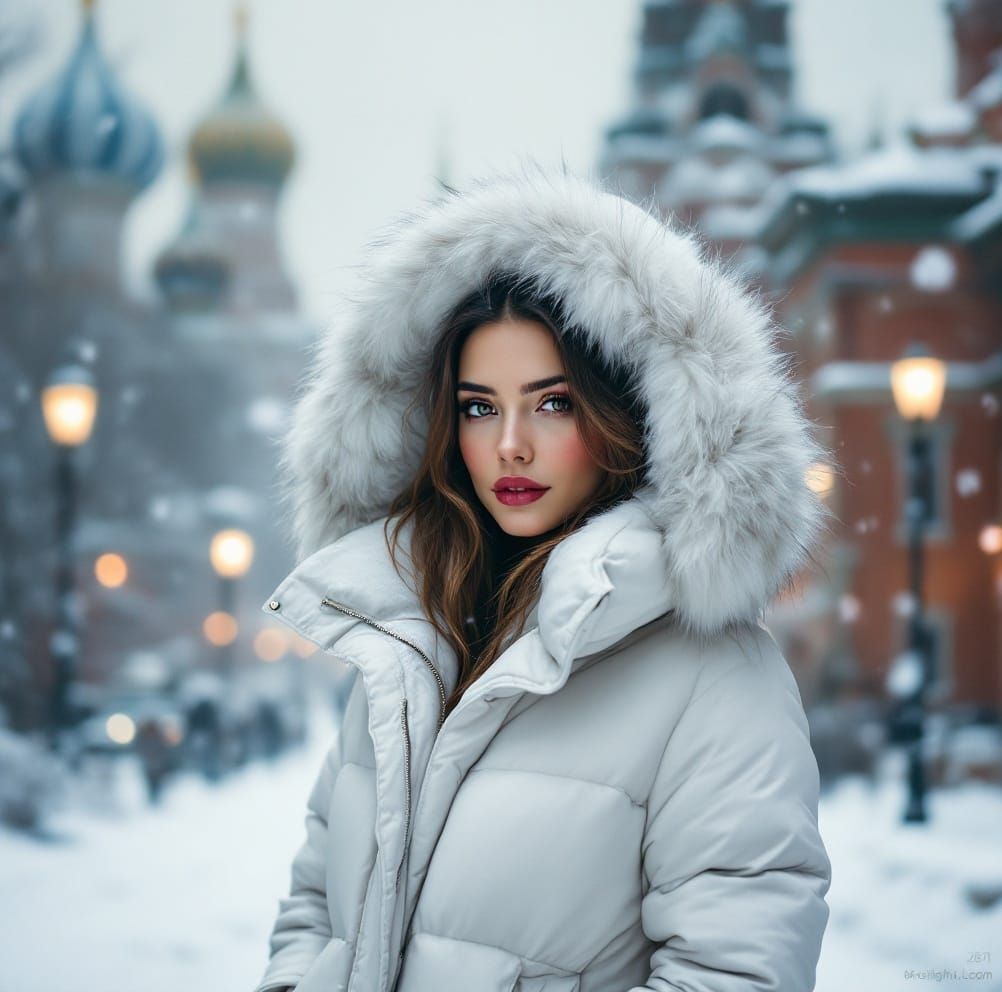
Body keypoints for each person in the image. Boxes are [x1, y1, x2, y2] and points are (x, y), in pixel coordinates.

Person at [254, 166, 834, 992]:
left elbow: (735, 972)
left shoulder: (715, 676)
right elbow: (317, 902)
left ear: (624, 416)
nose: (510, 445)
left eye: (552, 403)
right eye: (479, 406)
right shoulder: (411, 640)